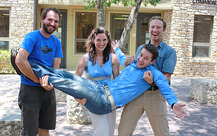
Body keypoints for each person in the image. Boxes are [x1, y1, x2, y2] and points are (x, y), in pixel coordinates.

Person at [28, 44, 187, 120]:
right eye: (141, 55)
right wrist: (116, 48)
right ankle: (32, 64)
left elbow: (165, 87)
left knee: (69, 84)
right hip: (100, 89)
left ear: (152, 62)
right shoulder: (133, 63)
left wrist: (173, 104)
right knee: (69, 76)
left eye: (146, 58)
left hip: (104, 102)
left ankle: (31, 70)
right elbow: (123, 58)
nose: (141, 60)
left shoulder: (153, 73)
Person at [116, 16, 177, 136]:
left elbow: (166, 78)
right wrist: (126, 63)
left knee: (162, 133)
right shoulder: (141, 48)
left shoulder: (169, 51)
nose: (155, 29)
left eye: (158, 27)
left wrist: (151, 82)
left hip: (155, 95)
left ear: (163, 30)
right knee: (123, 131)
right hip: (136, 93)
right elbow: (136, 67)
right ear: (149, 29)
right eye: (152, 27)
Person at [15, 7, 63, 136]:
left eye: (56, 21)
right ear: (42, 19)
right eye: (50, 19)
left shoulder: (57, 43)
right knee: (28, 132)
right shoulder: (32, 37)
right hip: (30, 90)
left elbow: (55, 69)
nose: (53, 24)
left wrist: (50, 84)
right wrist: (37, 80)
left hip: (48, 91)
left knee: (45, 128)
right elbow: (20, 60)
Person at [74, 27, 120, 136]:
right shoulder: (84, 59)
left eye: (104, 40)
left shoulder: (113, 58)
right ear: (93, 40)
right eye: (98, 40)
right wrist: (77, 97)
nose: (101, 43)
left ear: (108, 41)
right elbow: (75, 81)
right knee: (101, 131)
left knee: (110, 131)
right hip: (93, 98)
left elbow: (118, 81)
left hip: (110, 98)